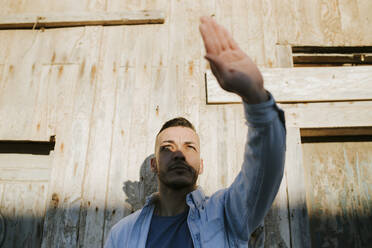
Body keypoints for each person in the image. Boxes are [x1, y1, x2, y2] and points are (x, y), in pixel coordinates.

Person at [104, 16, 286, 248]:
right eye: (167, 148)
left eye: (189, 146)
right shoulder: (123, 233)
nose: (179, 154)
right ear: (154, 164)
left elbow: (264, 172)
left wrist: (255, 97)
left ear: (201, 164)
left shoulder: (227, 215)